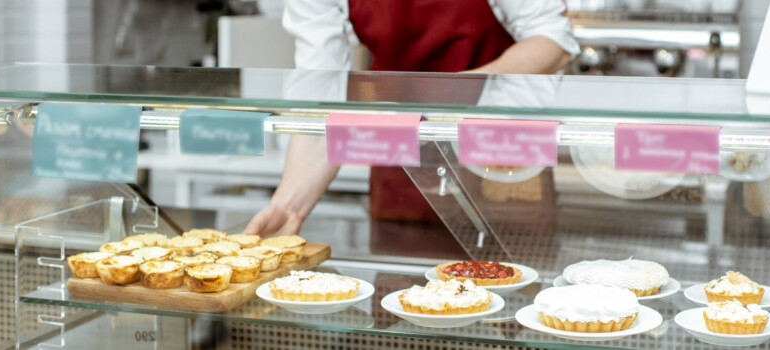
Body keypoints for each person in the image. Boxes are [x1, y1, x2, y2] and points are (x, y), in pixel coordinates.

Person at [244, 0, 579, 237]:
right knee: (400, 310)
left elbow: (553, 40)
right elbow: (318, 102)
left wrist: (459, 88)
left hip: (503, 161)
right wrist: (288, 206)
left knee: (507, 320)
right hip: (401, 167)